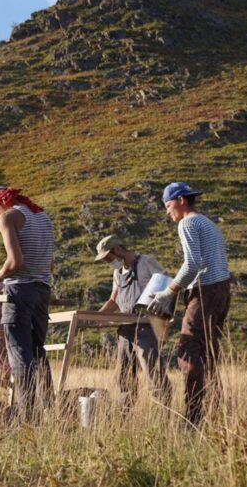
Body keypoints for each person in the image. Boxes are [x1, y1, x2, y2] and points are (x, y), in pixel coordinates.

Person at [148, 182, 231, 426]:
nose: (167, 211)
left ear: (181, 200)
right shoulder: (208, 223)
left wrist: (168, 292)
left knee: (189, 352)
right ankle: (215, 413)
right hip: (221, 290)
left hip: (204, 290)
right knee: (208, 353)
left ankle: (193, 416)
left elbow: (193, 264)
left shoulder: (187, 223)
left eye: (168, 205)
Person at [0, 186, 55, 415]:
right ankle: (49, 410)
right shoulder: (42, 216)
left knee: (19, 353)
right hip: (42, 290)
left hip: (20, 290)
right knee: (38, 351)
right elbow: (50, 263)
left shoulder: (8, 217)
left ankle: (28, 416)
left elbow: (15, 261)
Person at [94, 234, 172, 410]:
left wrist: (160, 315)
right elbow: (114, 300)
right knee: (124, 377)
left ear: (118, 249)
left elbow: (166, 285)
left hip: (146, 327)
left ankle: (164, 413)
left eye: (108, 258)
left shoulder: (146, 262)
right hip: (124, 330)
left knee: (154, 372)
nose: (108, 262)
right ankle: (124, 415)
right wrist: (97, 317)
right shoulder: (118, 272)